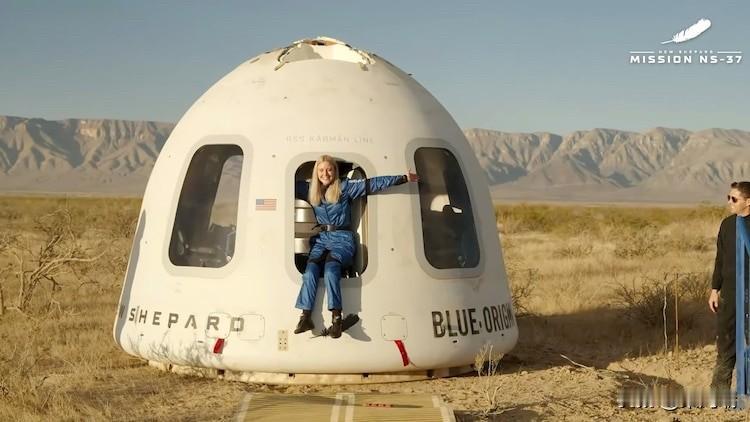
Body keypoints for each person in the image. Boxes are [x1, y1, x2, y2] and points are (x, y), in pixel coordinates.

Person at [293, 155, 419, 338]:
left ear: (335, 171)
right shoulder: (309, 189)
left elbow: (372, 184)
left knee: (331, 269)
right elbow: (282, 184)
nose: (325, 174)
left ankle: (336, 318)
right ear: (316, 172)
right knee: (310, 271)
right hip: (322, 239)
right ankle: (305, 316)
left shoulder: (344, 187)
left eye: (329, 169)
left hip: (342, 239)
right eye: (321, 170)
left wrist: (403, 178)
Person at [709, 181, 750, 389]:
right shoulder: (727, 225)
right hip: (730, 293)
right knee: (726, 343)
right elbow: (720, 259)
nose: (729, 202)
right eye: (728, 197)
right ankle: (719, 393)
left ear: (748, 201)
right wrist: (714, 290)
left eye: (734, 199)